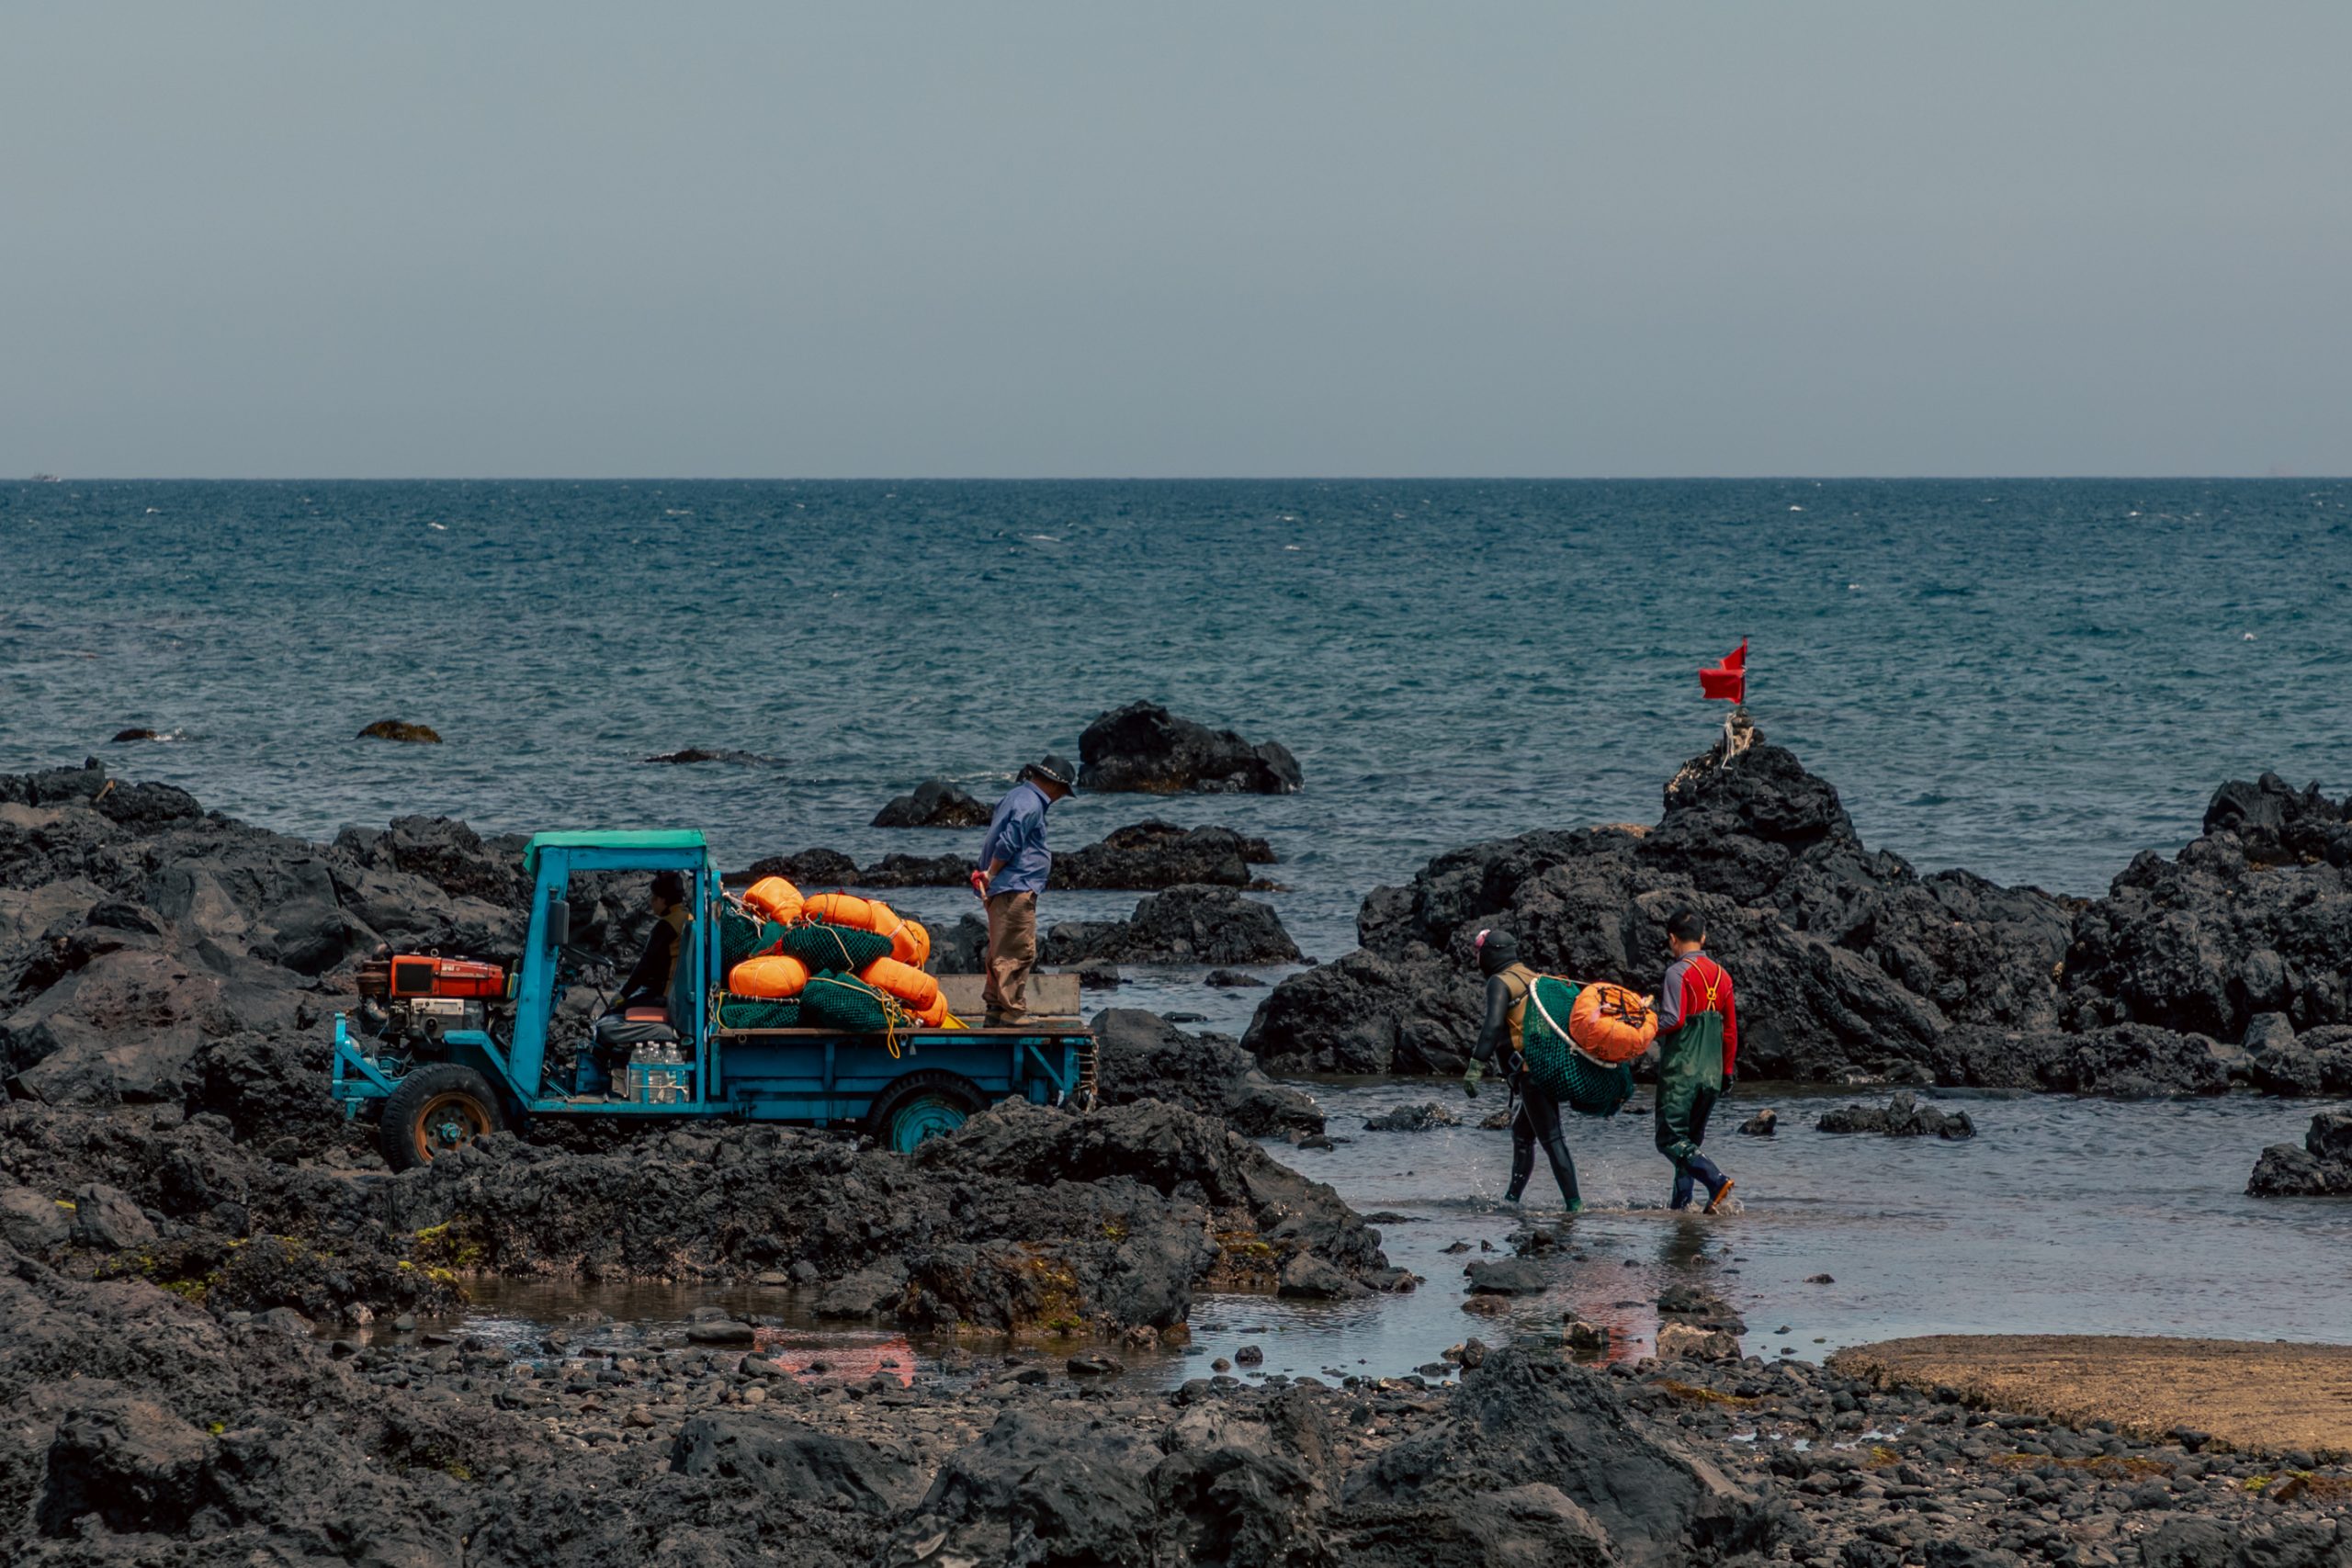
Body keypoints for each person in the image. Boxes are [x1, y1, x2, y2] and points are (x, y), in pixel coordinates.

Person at [1461, 929, 1582, 1213]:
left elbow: (1492, 1027)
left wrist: (1475, 1066)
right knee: (1523, 1135)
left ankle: (1575, 1206)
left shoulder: (1500, 982)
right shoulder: (1533, 977)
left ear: (1491, 954)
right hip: (1548, 1069)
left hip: (1531, 1074)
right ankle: (1512, 1200)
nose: (1478, 958)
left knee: (1552, 1139)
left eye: (1480, 952)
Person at [968, 754, 1077, 1025]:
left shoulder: (1016, 796)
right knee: (1017, 950)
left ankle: (995, 1008)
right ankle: (1013, 1011)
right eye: (1063, 791)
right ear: (1054, 785)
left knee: (1000, 948)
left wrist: (989, 876)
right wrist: (992, 873)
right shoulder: (1031, 804)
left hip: (1005, 887)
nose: (1060, 798)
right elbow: (1009, 842)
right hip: (1015, 886)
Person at [1653, 906, 1738, 1213]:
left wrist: (1645, 1025)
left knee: (1669, 1140)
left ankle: (1716, 1180)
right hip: (1712, 1074)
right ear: (1703, 938)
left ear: (1672, 939)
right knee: (1689, 1143)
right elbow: (1730, 1031)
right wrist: (1726, 1072)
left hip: (1683, 1072)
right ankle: (1681, 1207)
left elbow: (1673, 1019)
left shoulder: (1677, 973)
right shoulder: (1723, 976)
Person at [589, 870, 691, 1089]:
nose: (651, 902)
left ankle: (598, 1076)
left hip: (664, 997)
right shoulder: (687, 918)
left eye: (654, 898)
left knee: (607, 1019)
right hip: (676, 995)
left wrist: (622, 994)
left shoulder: (666, 926)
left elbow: (644, 966)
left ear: (664, 900)